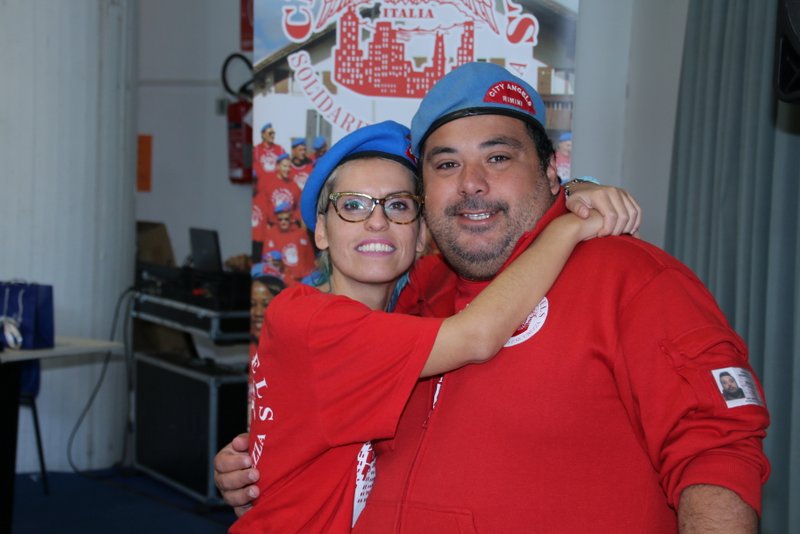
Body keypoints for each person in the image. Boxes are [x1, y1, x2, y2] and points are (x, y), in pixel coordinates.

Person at [217, 62, 769, 532]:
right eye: (446, 164)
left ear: (551, 172)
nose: (471, 183)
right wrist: (271, 464)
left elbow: (717, 453)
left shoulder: (632, 278)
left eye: (499, 158)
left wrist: (575, 204)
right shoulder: (413, 289)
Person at [228, 120, 625, 533]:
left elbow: (492, 249)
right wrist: (569, 226)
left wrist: (575, 188)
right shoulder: (309, 318)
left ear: (421, 235)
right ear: (323, 231)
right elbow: (477, 335)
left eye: (398, 206)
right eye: (354, 205)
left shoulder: (406, 305)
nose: (377, 222)